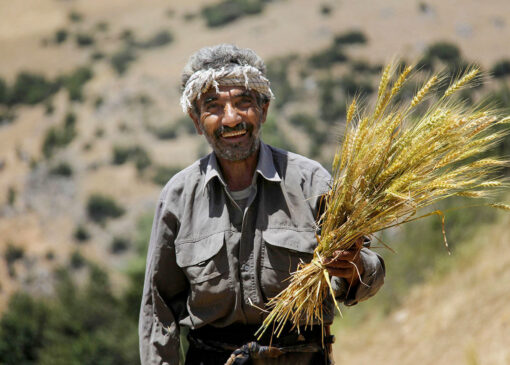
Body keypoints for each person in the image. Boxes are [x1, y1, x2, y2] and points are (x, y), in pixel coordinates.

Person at [139, 44, 385, 365]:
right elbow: (158, 309)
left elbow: (367, 269)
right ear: (196, 120)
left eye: (244, 103)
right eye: (213, 106)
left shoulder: (311, 182)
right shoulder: (178, 196)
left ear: (264, 110)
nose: (231, 119)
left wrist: (353, 269)